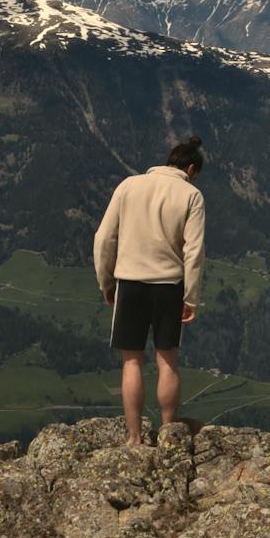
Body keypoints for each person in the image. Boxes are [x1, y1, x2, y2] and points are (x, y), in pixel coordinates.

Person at [92, 135, 207, 445]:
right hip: (169, 286)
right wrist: (191, 297)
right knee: (167, 361)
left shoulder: (129, 185)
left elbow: (103, 238)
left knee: (131, 362)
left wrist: (107, 281)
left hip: (129, 283)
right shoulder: (191, 195)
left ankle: (134, 438)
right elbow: (193, 252)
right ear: (192, 169)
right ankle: (169, 435)